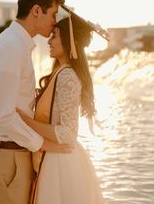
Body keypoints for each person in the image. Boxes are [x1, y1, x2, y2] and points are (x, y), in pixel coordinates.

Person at [0, 0, 72, 204]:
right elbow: (2, 115)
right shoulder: (10, 48)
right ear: (36, 10)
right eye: (53, 14)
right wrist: (43, 144)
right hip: (4, 158)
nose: (54, 21)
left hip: (11, 155)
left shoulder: (17, 45)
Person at [17, 13, 105, 204]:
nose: (49, 41)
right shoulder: (59, 72)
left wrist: (26, 122)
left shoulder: (67, 76)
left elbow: (67, 133)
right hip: (53, 155)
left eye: (54, 36)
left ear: (69, 40)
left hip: (60, 162)